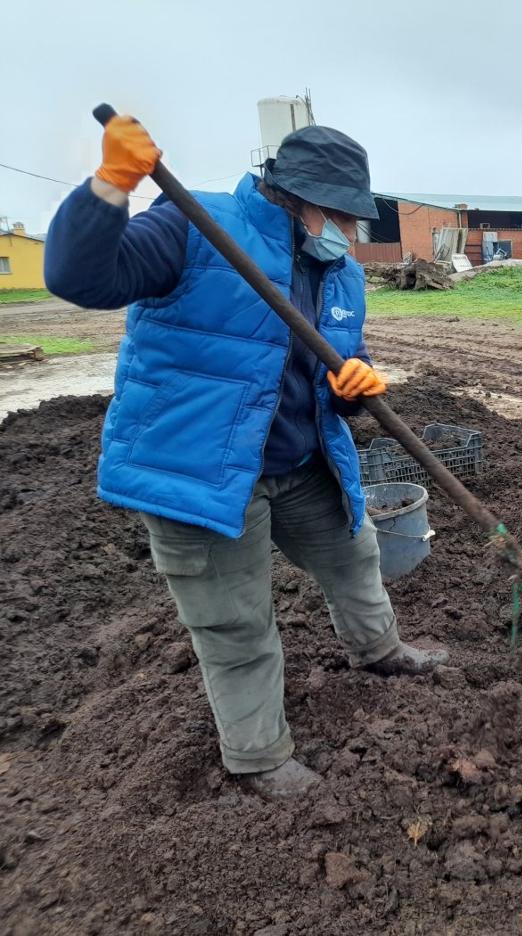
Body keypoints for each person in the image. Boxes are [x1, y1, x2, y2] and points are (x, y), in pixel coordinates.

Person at [44, 114, 447, 799]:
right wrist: (110, 185)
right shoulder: (197, 226)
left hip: (302, 461)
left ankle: (378, 649)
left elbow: (347, 358)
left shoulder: (339, 274)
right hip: (201, 472)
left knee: (355, 554)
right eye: (338, 216)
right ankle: (258, 757)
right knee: (235, 622)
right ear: (293, 196)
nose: (347, 233)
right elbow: (80, 276)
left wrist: (356, 385)